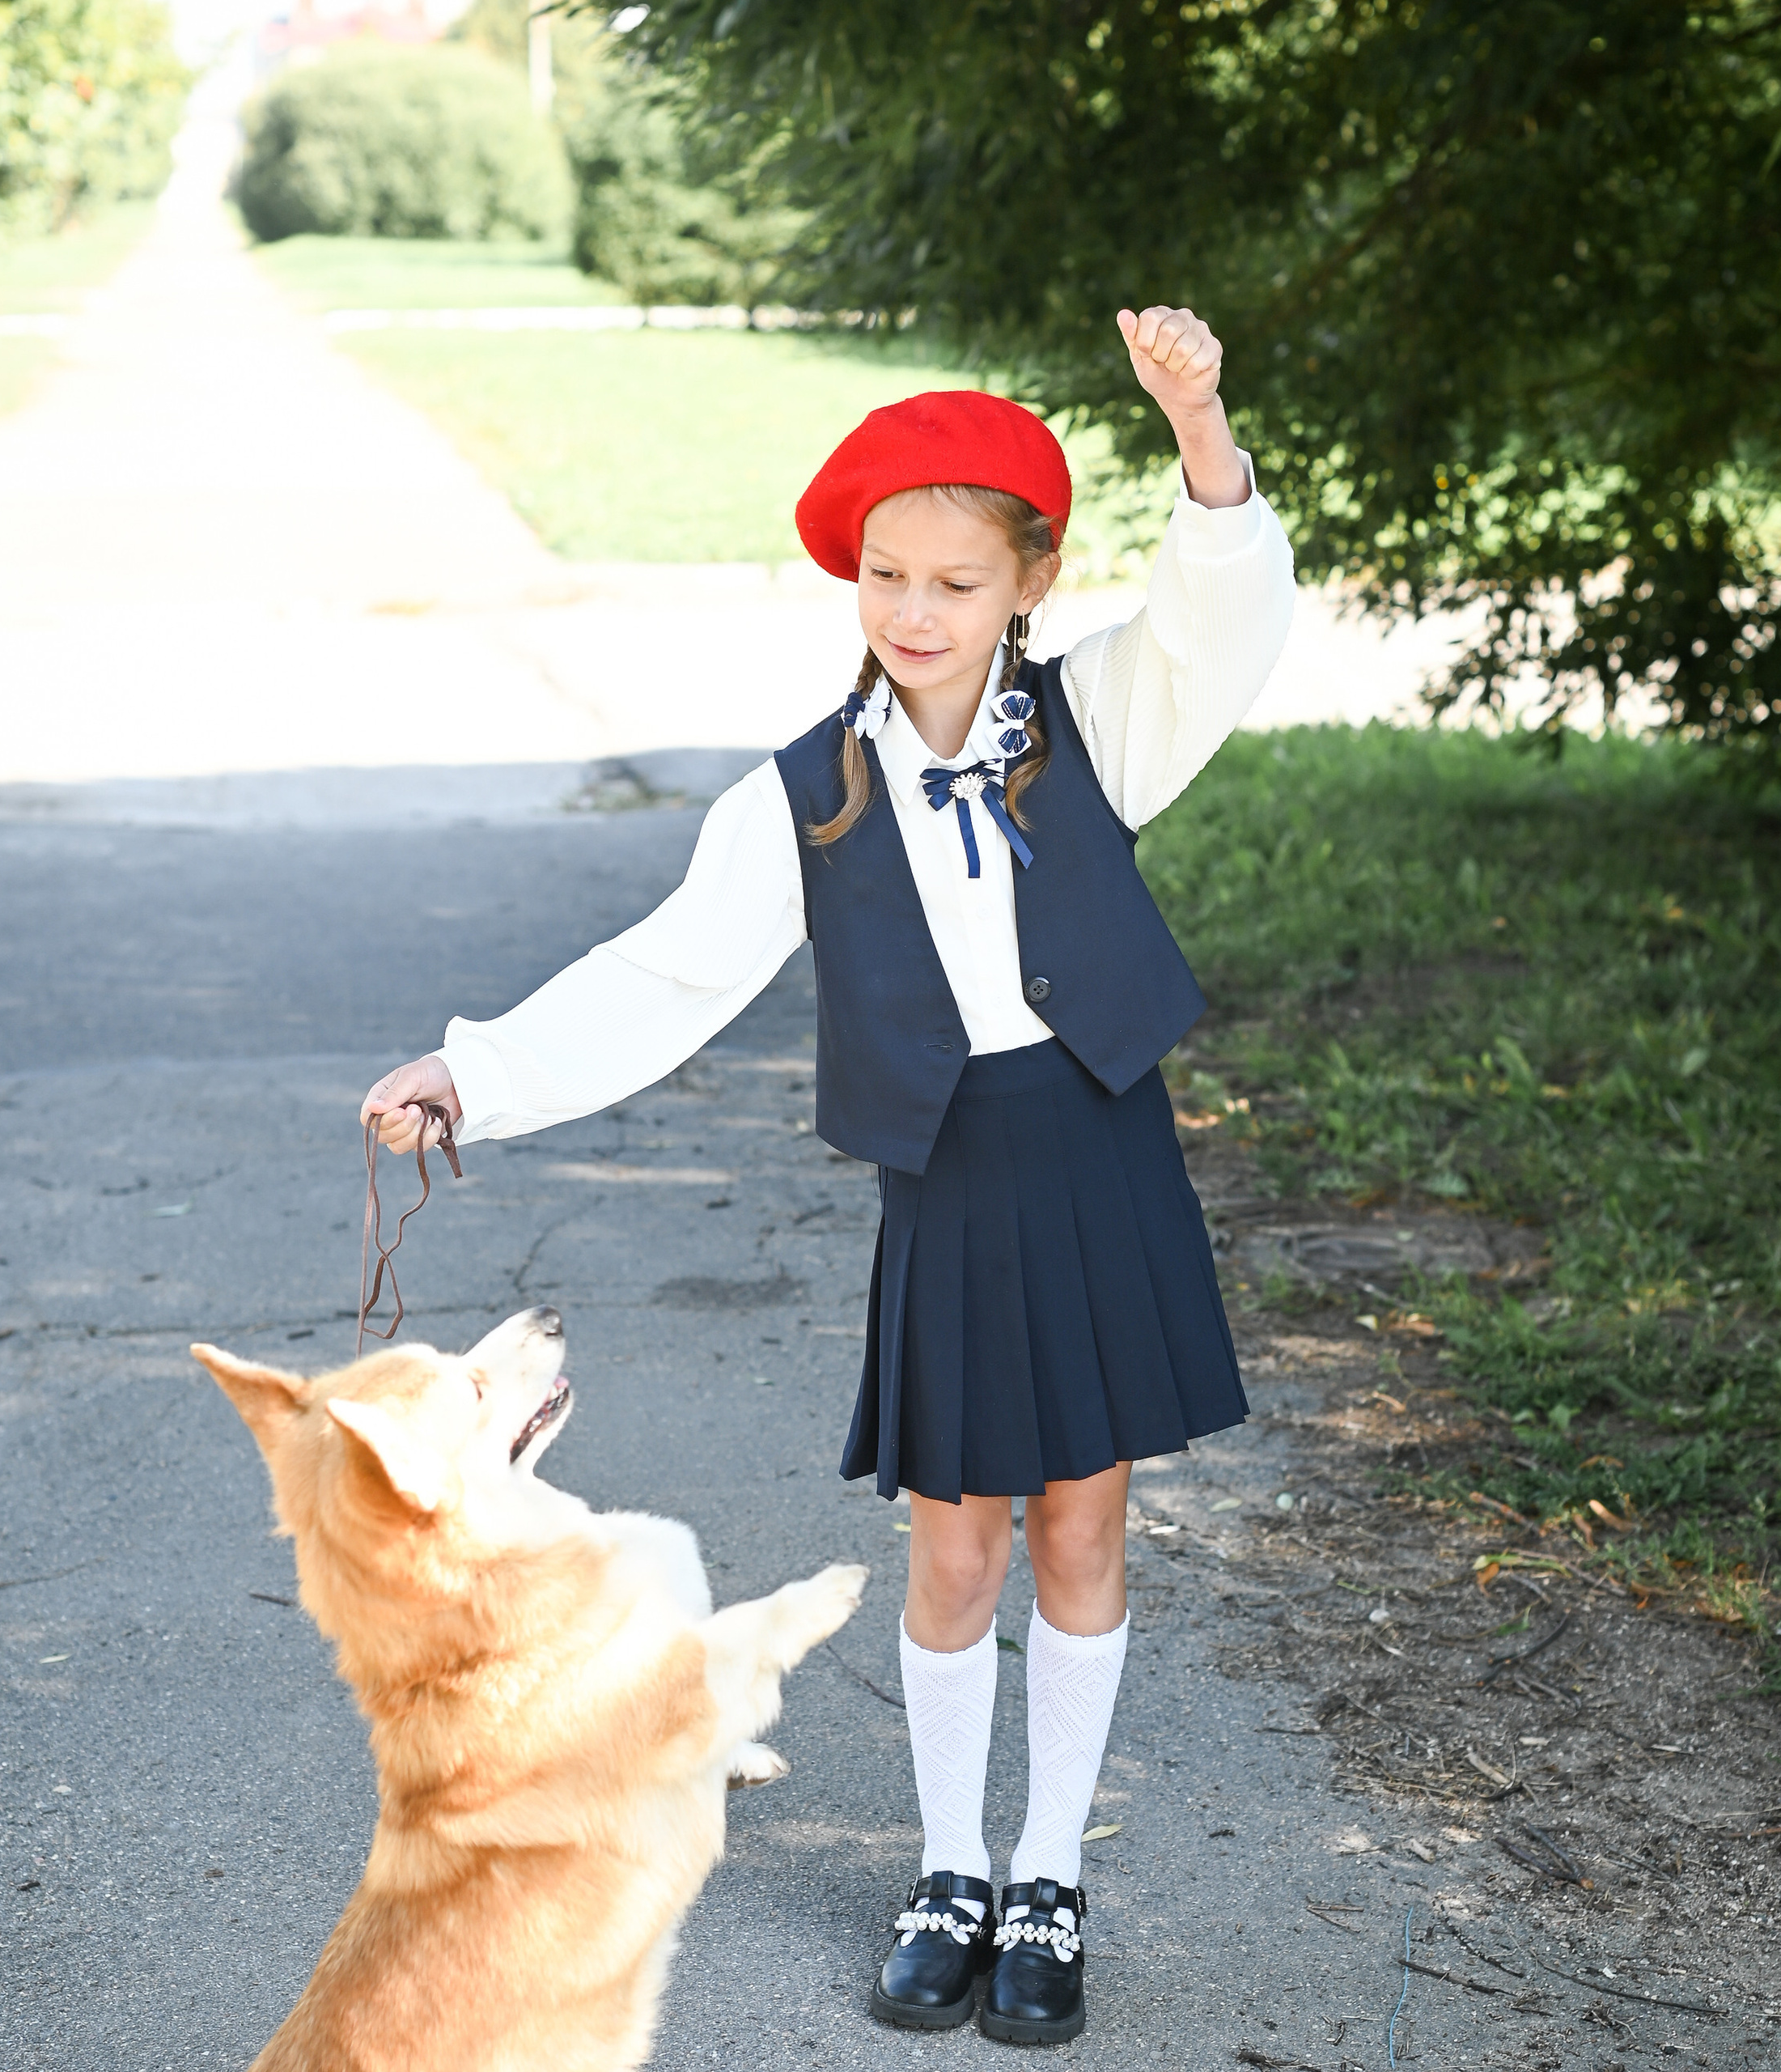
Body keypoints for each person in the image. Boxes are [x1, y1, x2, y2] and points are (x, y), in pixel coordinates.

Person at [360, 304, 1295, 2046]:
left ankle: (1047, 1874)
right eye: (886, 574)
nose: (917, 611)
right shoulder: (809, 791)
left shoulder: (1100, 717)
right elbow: (663, 973)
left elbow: (1226, 617)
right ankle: (946, 1867)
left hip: (1094, 1151)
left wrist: (1198, 423)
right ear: (850, 578)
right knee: (953, 1549)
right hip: (946, 1175)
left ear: (1024, 582)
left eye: (956, 580)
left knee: (1083, 1518)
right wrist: (470, 1068)